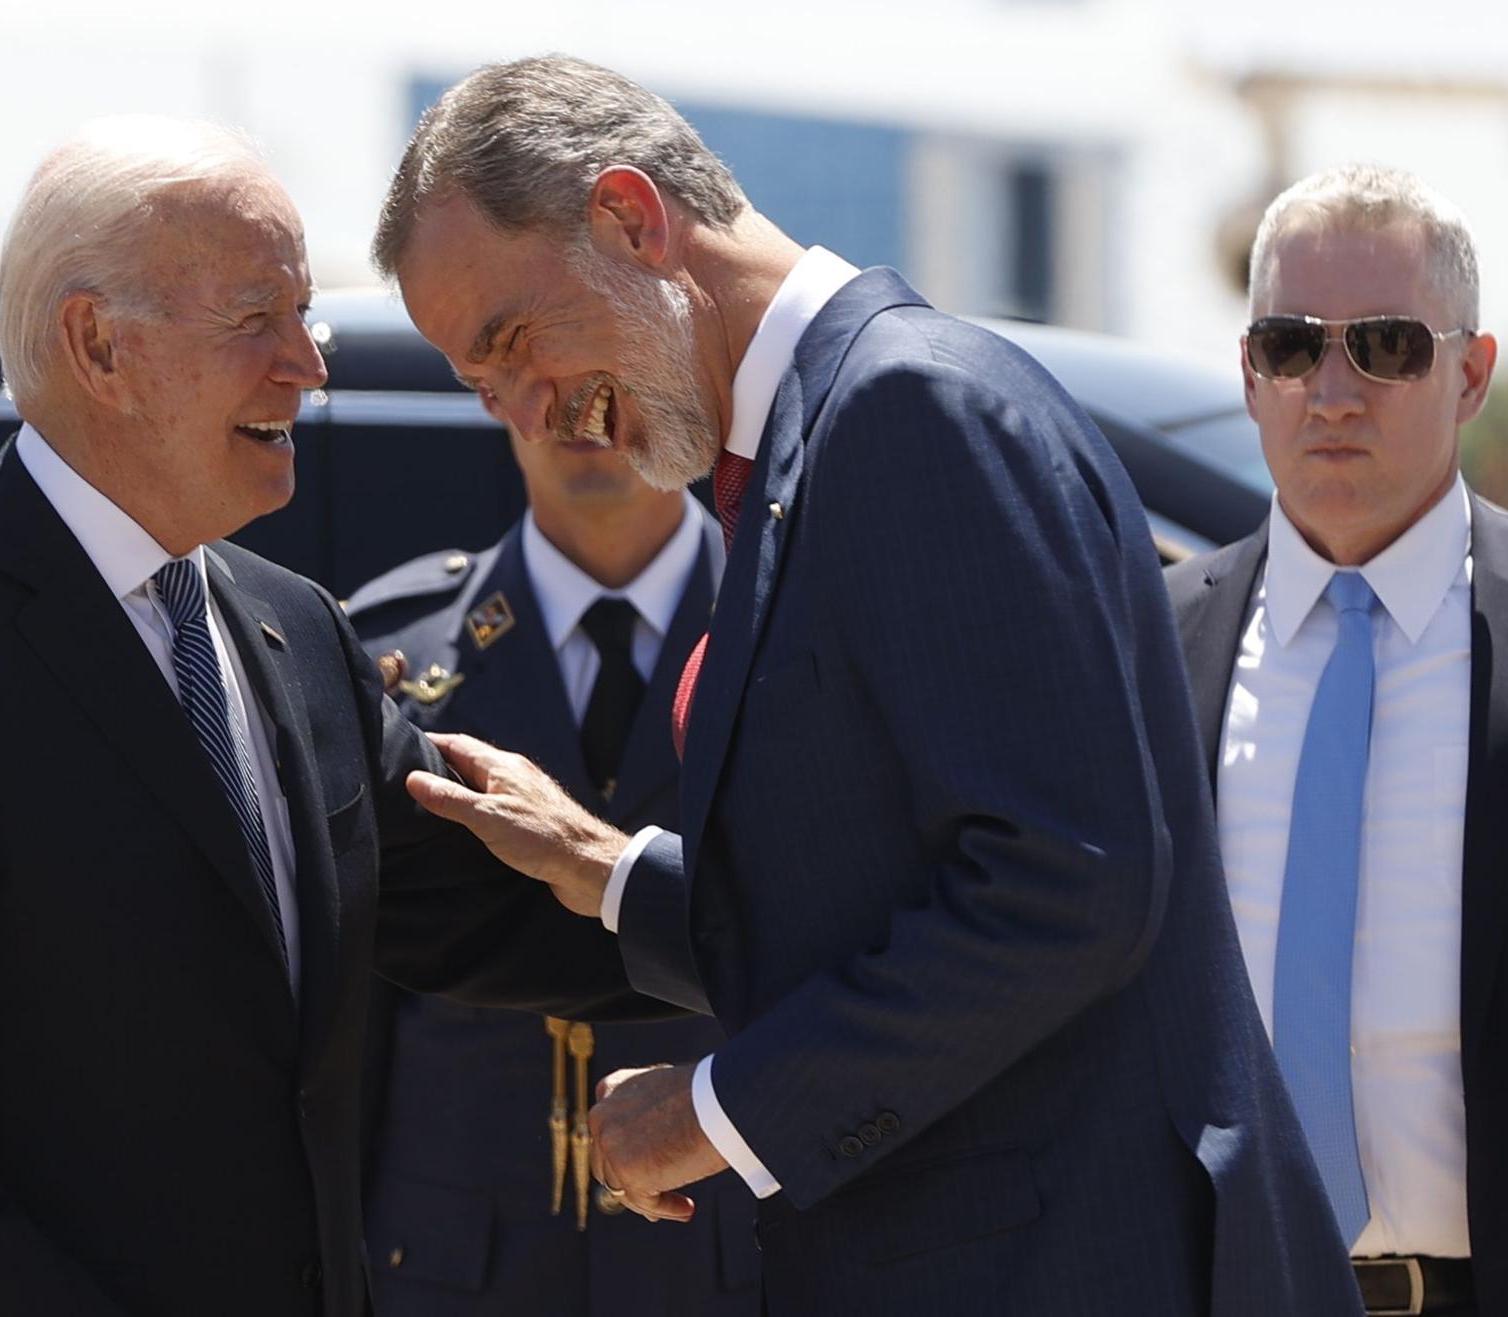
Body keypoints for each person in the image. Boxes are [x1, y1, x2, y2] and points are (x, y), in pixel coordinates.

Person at [371, 56, 1363, 1316]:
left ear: (629, 216)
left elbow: (1062, 884)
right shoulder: (807, 442)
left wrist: (716, 1110)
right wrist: (609, 872)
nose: (521, 410)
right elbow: (881, 889)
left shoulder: (905, 413)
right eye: (479, 382)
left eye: (511, 343)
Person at [0, 117, 645, 1317]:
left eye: (304, 316)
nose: (308, 366)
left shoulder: (296, 632)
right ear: (97, 344)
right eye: (255, 318)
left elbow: (499, 921)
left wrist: (754, 912)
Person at [1166, 165, 1500, 1317]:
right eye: (1292, 346)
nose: (1333, 391)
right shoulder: (1152, 652)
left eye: (1389, 346)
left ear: (1468, 373)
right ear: (1250, 374)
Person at [348, 426, 757, 1315]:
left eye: (615, 374)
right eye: (547, 372)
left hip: (725, 1264)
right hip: (451, 1271)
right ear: (492, 394)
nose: (586, 414)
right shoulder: (390, 650)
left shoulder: (790, 626)